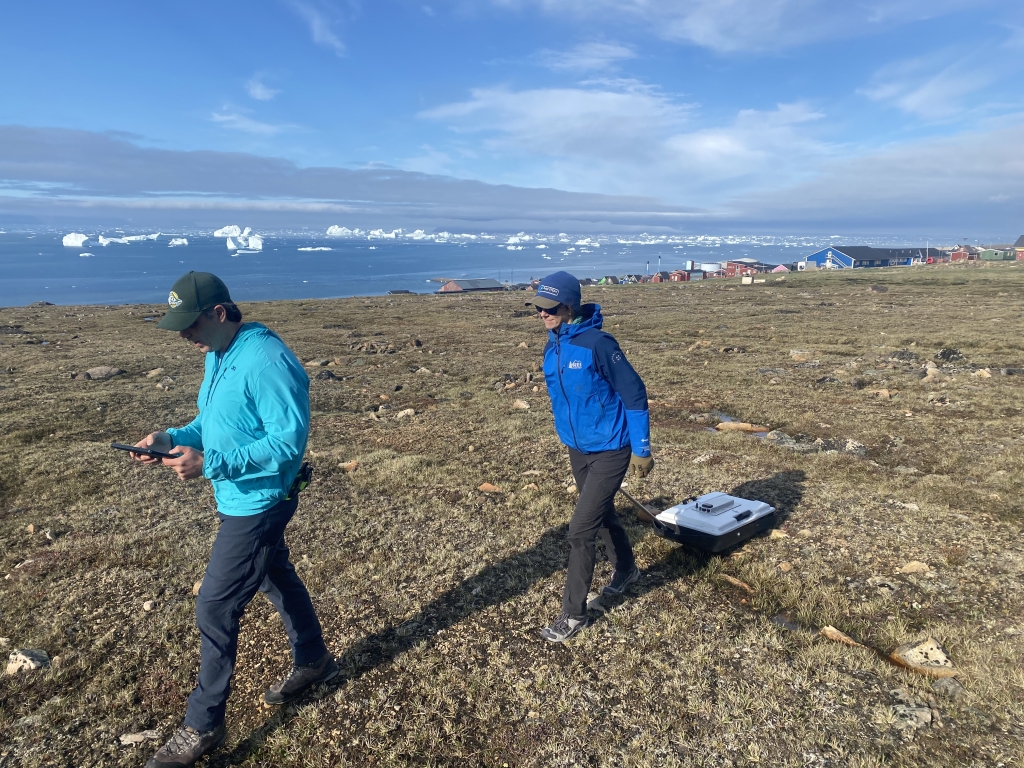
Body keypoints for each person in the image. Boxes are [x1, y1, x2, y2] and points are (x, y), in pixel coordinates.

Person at [132, 272, 336, 768]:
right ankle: (314, 660)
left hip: (260, 501)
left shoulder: (266, 360)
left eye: (190, 324)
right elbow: (214, 423)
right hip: (237, 496)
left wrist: (210, 464)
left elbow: (287, 444)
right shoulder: (220, 354)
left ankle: (203, 725)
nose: (184, 335)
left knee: (215, 607)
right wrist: (170, 436)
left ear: (220, 313)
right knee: (272, 574)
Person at [527, 271, 654, 643]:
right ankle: (627, 570)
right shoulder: (554, 346)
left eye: (550, 308)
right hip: (578, 449)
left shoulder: (598, 344)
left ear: (569, 306)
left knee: (579, 530)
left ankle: (573, 614)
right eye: (538, 307)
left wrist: (642, 449)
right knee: (602, 516)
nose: (543, 314)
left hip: (612, 449)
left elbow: (634, 393)